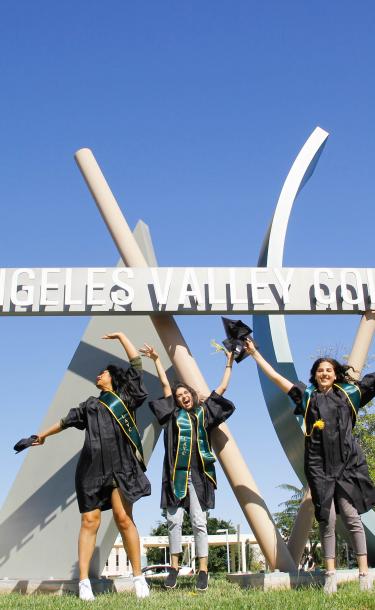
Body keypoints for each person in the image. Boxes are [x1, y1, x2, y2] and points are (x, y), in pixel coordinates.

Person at [244, 338, 375, 594]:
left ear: (336, 373)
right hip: (319, 467)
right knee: (327, 520)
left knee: (351, 517)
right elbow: (277, 379)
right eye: (320, 370)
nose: (324, 373)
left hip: (347, 464)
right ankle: (330, 576)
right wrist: (255, 355)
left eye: (328, 369)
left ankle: (364, 574)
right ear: (314, 376)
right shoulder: (308, 397)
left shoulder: (351, 393)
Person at [31, 332, 151, 600]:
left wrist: (121, 336)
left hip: (121, 466)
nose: (98, 376)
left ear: (113, 377)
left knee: (123, 518)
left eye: (102, 373)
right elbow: (65, 421)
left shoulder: (125, 397)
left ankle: (139, 577)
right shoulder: (91, 405)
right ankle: (84, 582)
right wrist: (42, 436)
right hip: (91, 469)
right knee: (89, 520)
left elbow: (137, 365)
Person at [140, 344, 235, 592]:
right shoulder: (172, 414)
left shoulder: (204, 413)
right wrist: (157, 359)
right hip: (175, 474)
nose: (183, 397)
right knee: (173, 520)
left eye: (186, 393)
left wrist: (229, 363)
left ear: (193, 395)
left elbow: (221, 389)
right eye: (180, 395)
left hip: (199, 474)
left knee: (198, 521)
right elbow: (164, 387)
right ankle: (173, 566)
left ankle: (203, 571)